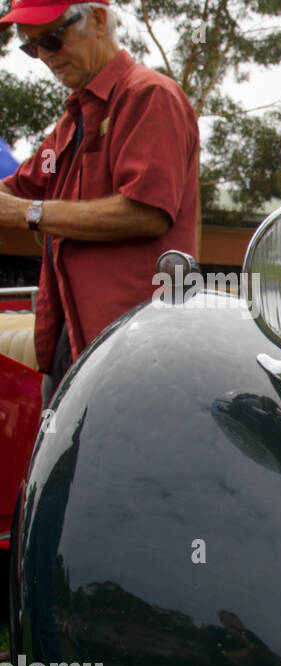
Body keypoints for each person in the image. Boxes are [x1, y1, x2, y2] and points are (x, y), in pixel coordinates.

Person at [0, 0, 199, 407]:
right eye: (31, 47)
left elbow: (146, 212)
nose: (44, 56)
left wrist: (30, 213)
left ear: (98, 19)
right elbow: (16, 188)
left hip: (136, 349)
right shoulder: (72, 122)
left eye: (51, 39)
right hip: (73, 344)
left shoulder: (149, 96)